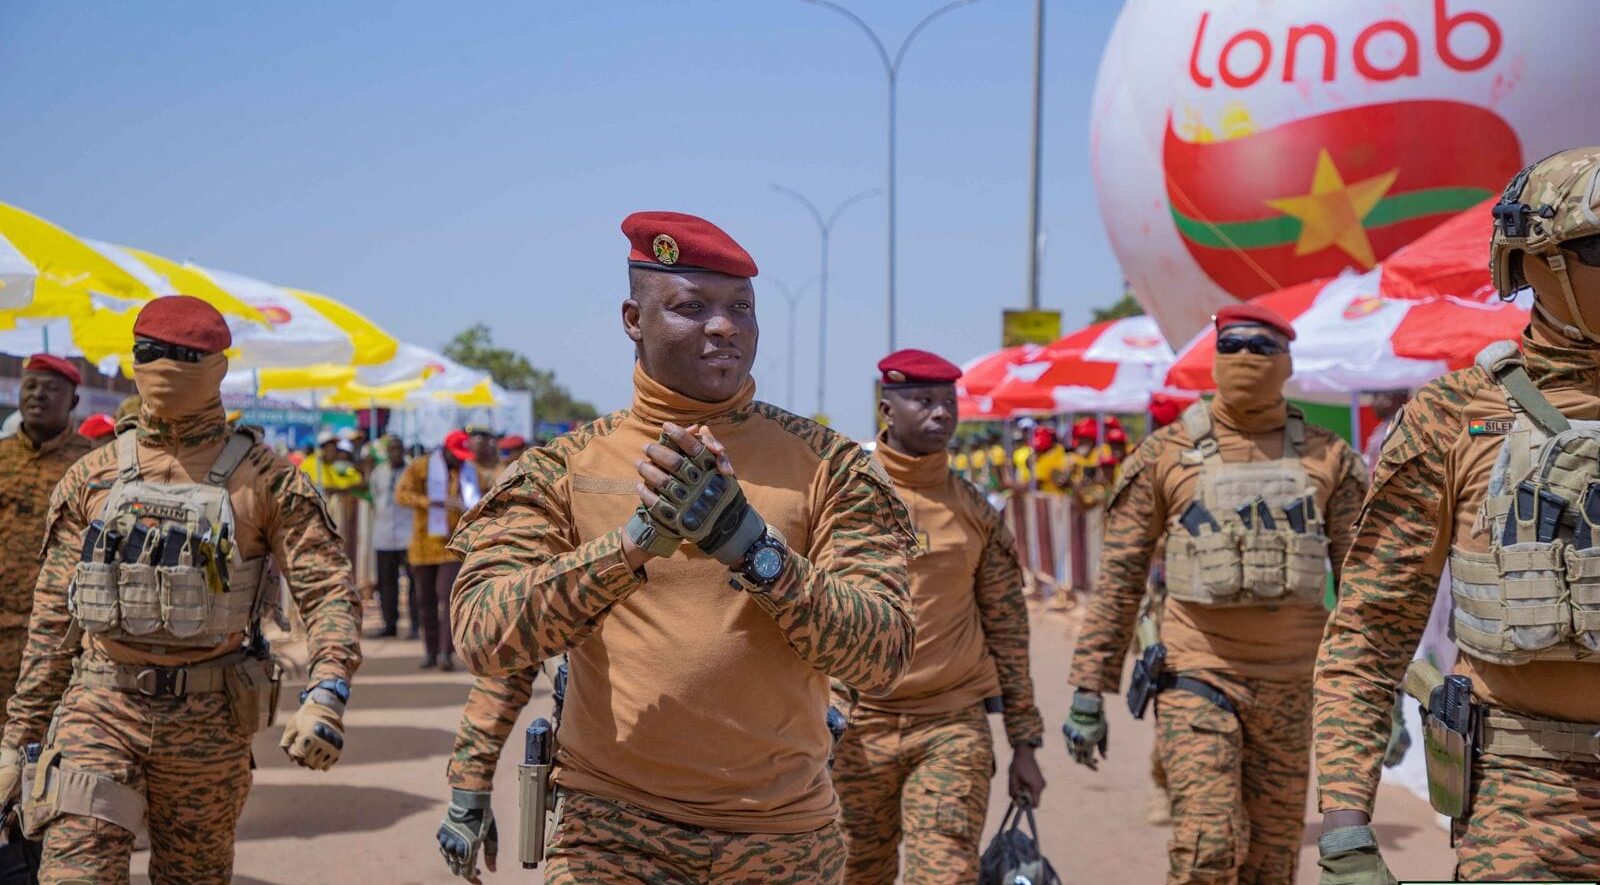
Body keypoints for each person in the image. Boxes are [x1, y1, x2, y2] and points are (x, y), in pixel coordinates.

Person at [444, 210, 914, 884]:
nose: (724, 326)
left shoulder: (828, 466)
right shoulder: (564, 468)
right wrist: (631, 546)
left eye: (741, 308)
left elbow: (884, 653)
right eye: (692, 307)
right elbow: (485, 635)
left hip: (782, 840)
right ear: (633, 318)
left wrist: (752, 548)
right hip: (611, 831)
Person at [0, 296, 361, 882]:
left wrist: (327, 689)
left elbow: (328, 594)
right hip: (100, 705)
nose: (164, 364)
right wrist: (18, 739)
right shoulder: (92, 477)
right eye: (151, 353)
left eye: (183, 356)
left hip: (209, 722)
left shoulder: (267, 481)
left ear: (218, 367)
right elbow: (52, 621)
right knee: (75, 872)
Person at [1314, 148, 1600, 882]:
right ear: (1536, 263)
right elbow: (1372, 627)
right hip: (1530, 803)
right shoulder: (1454, 418)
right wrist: (1346, 823)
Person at [1063, 303, 1367, 884]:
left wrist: (1371, 695)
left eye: (1261, 346)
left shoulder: (1328, 458)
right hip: (1195, 674)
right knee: (1208, 845)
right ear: (1213, 356)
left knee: (1272, 863)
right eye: (1231, 346)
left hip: (1293, 687)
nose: (1246, 357)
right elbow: (1120, 577)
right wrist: (1087, 688)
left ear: (1287, 361)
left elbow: (1366, 589)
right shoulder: (1165, 455)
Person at [829, 349, 1044, 885]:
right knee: (854, 871)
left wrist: (1024, 745)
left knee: (945, 873)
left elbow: (1008, 631)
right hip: (855, 729)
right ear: (887, 410)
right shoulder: (840, 499)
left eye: (948, 402)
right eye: (924, 401)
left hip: (951, 725)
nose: (941, 414)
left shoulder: (975, 511)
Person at [0, 355, 93, 727]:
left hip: (59, 636)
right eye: (31, 386)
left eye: (52, 389)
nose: (38, 395)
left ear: (72, 401)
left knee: (49, 742)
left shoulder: (92, 464)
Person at [395, 429, 478, 671]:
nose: (460, 460)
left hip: (453, 546)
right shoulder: (420, 467)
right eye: (457, 455)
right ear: (446, 450)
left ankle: (445, 652)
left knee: (448, 597)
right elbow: (401, 495)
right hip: (423, 545)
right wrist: (431, 502)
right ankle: (430, 651)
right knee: (425, 601)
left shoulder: (468, 472)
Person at [368, 435, 413, 639]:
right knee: (386, 582)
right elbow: (374, 496)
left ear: (404, 450)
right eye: (391, 449)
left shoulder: (412, 471)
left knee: (413, 582)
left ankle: (415, 624)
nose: (395, 453)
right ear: (386, 452)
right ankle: (390, 623)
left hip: (408, 535)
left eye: (398, 448)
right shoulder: (379, 473)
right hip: (384, 535)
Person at [300, 431, 365, 494]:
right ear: (322, 448)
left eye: (334, 448)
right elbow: (323, 489)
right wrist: (347, 489)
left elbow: (339, 483)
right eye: (330, 448)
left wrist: (357, 482)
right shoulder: (313, 462)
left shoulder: (330, 465)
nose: (333, 452)